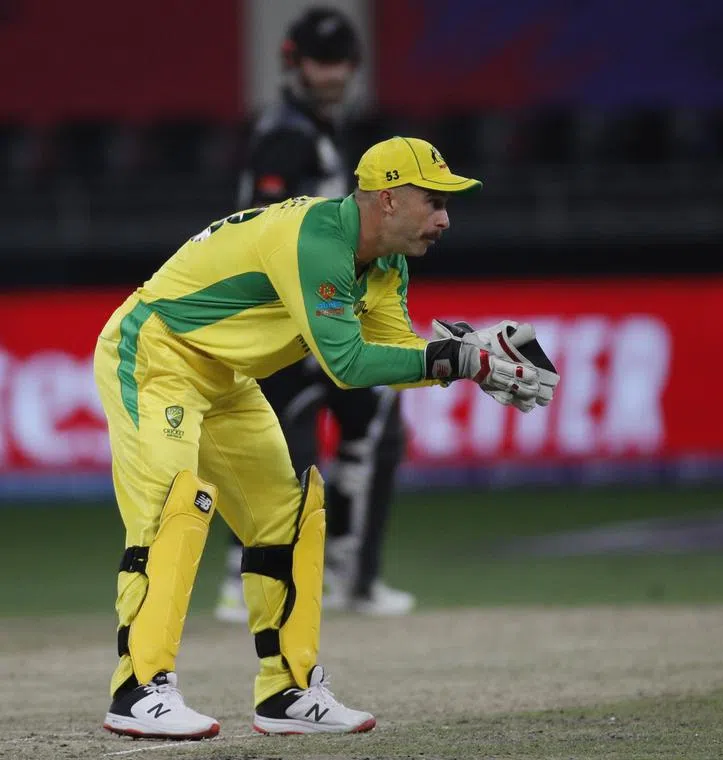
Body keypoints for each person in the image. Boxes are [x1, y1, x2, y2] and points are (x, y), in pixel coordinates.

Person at [95, 135, 556, 739]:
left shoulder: (386, 263)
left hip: (227, 374)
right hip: (154, 353)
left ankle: (287, 692)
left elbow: (393, 354)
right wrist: (453, 362)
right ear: (387, 200)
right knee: (174, 506)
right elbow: (346, 364)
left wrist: (467, 356)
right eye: (433, 200)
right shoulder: (318, 241)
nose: (445, 218)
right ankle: (137, 691)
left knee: (287, 517)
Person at [216, 6, 415, 622]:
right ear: (294, 65)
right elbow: (271, 234)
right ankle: (244, 579)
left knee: (374, 416)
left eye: (341, 64)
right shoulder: (286, 135)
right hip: (283, 320)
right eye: (320, 63)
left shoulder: (327, 131)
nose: (331, 76)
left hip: (319, 317)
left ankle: (351, 576)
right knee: (284, 448)